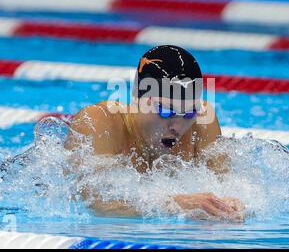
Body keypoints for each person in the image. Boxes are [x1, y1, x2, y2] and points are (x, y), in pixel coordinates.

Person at [64, 45, 245, 222]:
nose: (177, 126)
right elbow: (95, 202)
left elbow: (227, 184)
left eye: (189, 113)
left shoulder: (202, 120)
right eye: (166, 111)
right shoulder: (100, 122)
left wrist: (232, 203)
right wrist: (175, 204)